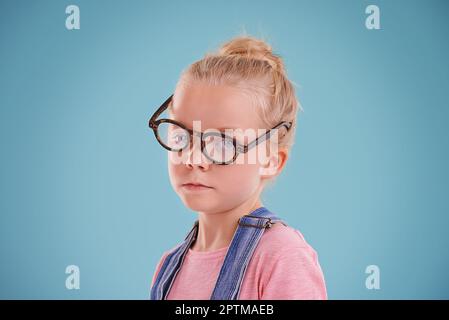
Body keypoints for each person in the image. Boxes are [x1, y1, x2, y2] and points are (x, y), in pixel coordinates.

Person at [148, 35, 327, 300]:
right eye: (180, 137)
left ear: (270, 160)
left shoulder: (282, 257)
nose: (193, 158)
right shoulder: (168, 266)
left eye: (221, 143)